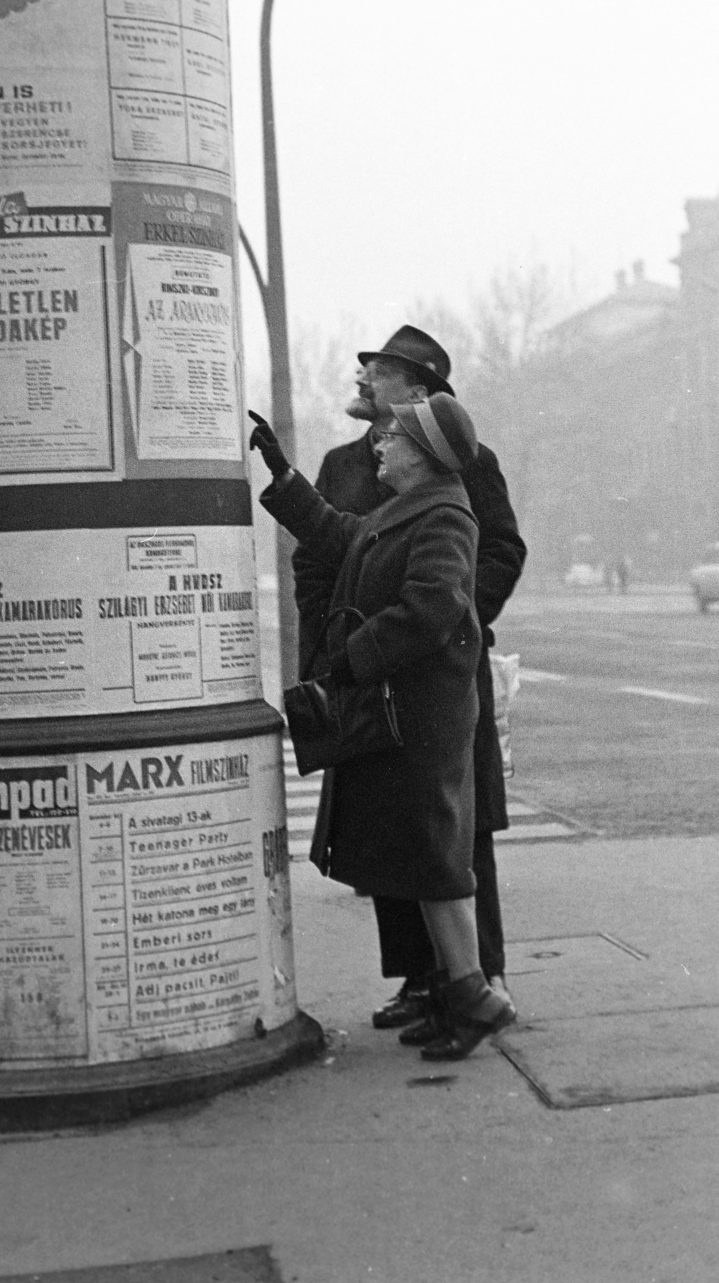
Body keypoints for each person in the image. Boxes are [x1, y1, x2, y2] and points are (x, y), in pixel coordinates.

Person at [249, 395, 515, 1059]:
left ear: (424, 456)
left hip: (423, 716)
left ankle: (476, 998)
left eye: (392, 439)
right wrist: (284, 482)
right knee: (422, 860)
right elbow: (344, 537)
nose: (377, 446)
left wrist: (354, 656)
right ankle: (459, 994)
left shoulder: (445, 516)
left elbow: (434, 605)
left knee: (435, 861)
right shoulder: (407, 510)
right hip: (406, 713)